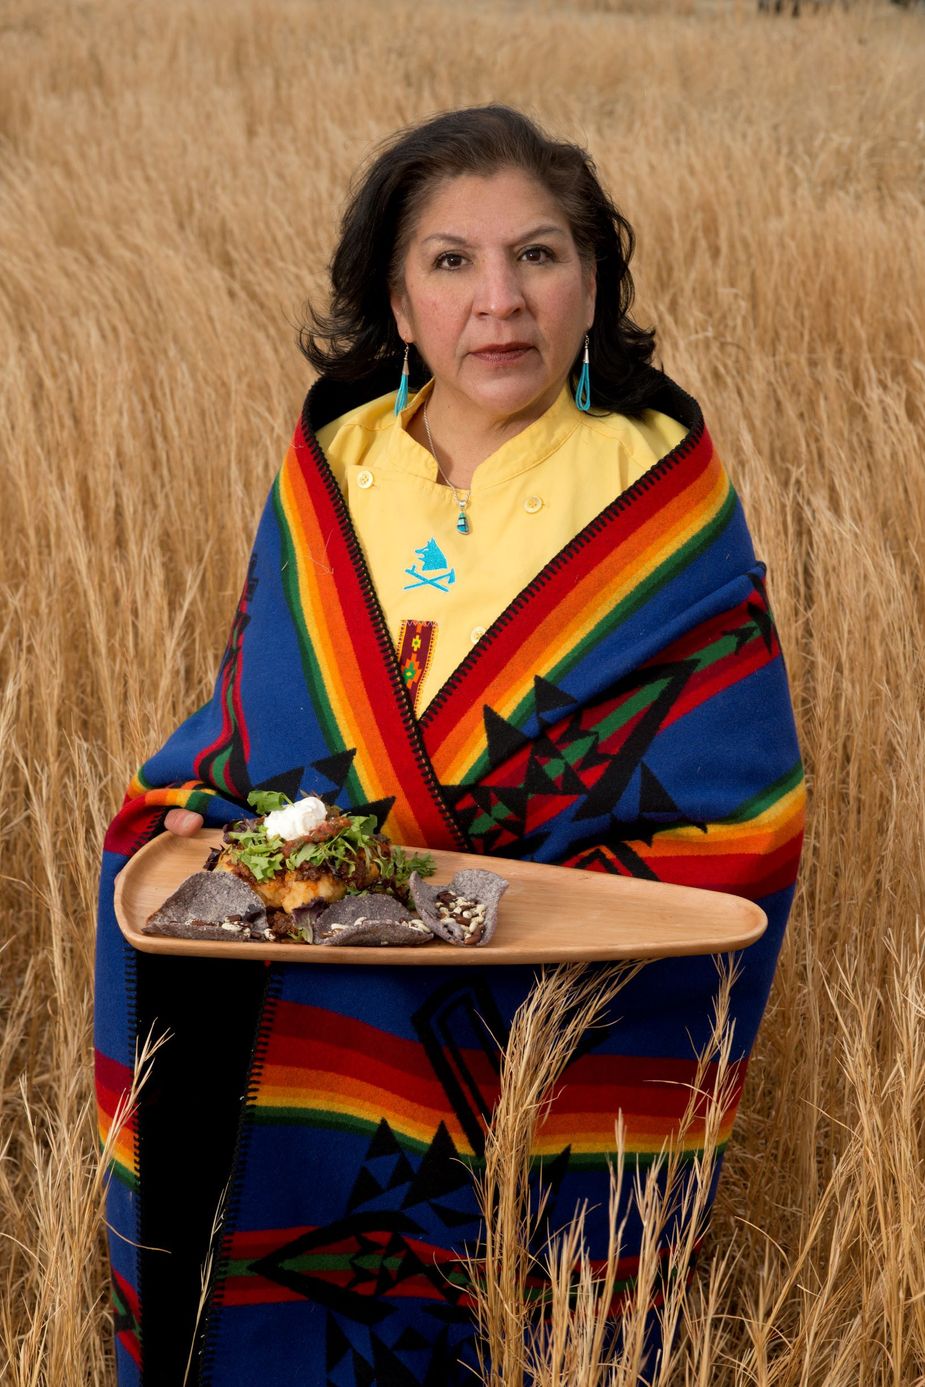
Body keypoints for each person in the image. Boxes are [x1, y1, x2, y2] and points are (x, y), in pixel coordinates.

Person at [95, 105, 805, 1386]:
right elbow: (262, 725)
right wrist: (204, 821)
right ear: (397, 295)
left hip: (538, 976)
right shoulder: (333, 459)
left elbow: (735, 808)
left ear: (592, 283)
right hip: (325, 960)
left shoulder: (655, 490)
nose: (500, 302)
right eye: (451, 262)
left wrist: (462, 885)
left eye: (538, 255)